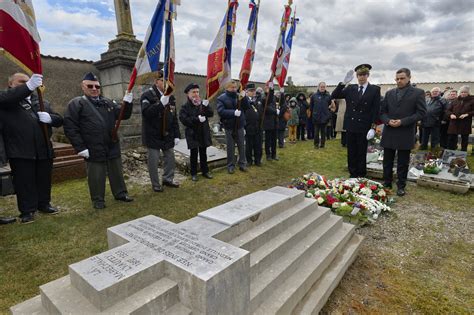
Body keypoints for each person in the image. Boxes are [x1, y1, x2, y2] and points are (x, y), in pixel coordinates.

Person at [64, 72, 134, 209]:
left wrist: (128, 102)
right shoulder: (77, 103)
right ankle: (98, 200)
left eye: (97, 86)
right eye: (90, 86)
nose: (94, 89)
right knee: (96, 175)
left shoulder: (107, 102)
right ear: (83, 87)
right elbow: (70, 127)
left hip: (111, 144)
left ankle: (121, 193)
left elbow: (123, 115)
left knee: (116, 172)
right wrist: (80, 148)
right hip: (92, 146)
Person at [0, 73, 62, 224]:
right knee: (24, 182)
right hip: (20, 150)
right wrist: (27, 87)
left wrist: (50, 118)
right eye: (21, 82)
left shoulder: (41, 101)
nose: (27, 84)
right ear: (11, 85)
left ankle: (44, 204)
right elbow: (7, 98)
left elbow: (59, 119)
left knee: (43, 179)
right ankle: (27, 210)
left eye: (28, 82)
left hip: (43, 148)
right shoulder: (6, 100)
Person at [380, 68, 426, 196]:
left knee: (403, 161)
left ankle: (401, 185)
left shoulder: (418, 93)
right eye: (397, 79)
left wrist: (403, 121)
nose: (399, 81)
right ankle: (387, 183)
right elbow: (382, 111)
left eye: (402, 78)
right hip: (389, 130)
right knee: (387, 160)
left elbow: (421, 113)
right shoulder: (390, 93)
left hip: (405, 131)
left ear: (409, 78)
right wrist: (388, 121)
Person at [332, 64, 381, 177]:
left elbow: (375, 109)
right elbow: (334, 95)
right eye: (359, 75)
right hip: (351, 124)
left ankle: (361, 174)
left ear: (368, 75)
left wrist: (373, 127)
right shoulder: (350, 88)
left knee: (361, 151)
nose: (361, 77)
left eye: (364, 75)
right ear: (356, 76)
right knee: (351, 151)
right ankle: (352, 173)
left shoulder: (374, 90)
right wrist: (343, 83)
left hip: (364, 125)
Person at [140, 70, 181, 190]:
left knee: (170, 158)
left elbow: (174, 118)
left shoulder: (171, 97)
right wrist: (160, 104)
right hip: (153, 134)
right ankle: (156, 184)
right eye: (163, 81)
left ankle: (168, 179)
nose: (166, 84)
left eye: (167, 81)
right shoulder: (147, 95)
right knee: (154, 160)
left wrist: (177, 135)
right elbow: (146, 113)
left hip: (167, 134)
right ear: (156, 81)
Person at [178, 83, 213, 181]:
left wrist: (206, 106)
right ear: (188, 94)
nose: (196, 94)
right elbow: (184, 120)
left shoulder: (202, 103)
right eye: (193, 92)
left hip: (203, 132)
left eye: (197, 91)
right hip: (192, 133)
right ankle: (193, 173)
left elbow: (211, 113)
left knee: (203, 152)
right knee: (194, 153)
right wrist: (197, 119)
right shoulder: (185, 107)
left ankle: (205, 171)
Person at [216, 80, 249, 173]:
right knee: (230, 147)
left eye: (235, 87)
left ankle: (242, 163)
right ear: (227, 88)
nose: (234, 89)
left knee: (241, 145)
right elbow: (221, 111)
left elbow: (247, 107)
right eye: (232, 87)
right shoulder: (221, 98)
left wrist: (244, 97)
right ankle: (230, 165)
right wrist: (233, 113)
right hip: (229, 126)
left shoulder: (239, 96)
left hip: (239, 125)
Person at [446, 86, 473, 151]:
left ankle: (463, 152)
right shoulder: (455, 100)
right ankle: (450, 151)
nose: (463, 93)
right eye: (462, 92)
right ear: (459, 93)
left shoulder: (472, 100)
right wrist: (451, 114)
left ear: (468, 93)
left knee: (464, 138)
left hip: (465, 122)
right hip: (454, 122)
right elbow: (448, 110)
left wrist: (467, 114)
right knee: (451, 137)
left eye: (465, 92)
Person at [243, 83, 263, 166]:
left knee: (258, 144)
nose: (253, 92)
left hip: (257, 125)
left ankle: (258, 160)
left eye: (254, 90)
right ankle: (249, 160)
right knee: (249, 145)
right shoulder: (244, 100)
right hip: (248, 125)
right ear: (246, 92)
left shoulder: (257, 100)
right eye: (251, 91)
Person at [262, 83, 283, 160]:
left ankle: (274, 154)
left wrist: (282, 93)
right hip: (268, 121)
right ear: (265, 88)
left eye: (270, 87)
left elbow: (281, 101)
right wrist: (275, 111)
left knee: (274, 139)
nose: (268, 88)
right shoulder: (263, 97)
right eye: (267, 87)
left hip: (274, 121)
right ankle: (268, 154)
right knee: (268, 140)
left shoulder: (273, 97)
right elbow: (266, 108)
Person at [310, 82, 332, 149]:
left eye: (324, 87)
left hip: (325, 117)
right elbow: (311, 106)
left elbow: (330, 105)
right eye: (321, 86)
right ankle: (316, 144)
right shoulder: (314, 96)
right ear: (318, 87)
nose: (322, 88)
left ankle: (322, 145)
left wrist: (328, 114)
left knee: (323, 132)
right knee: (316, 133)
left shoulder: (328, 96)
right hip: (316, 117)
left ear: (325, 87)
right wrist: (314, 114)